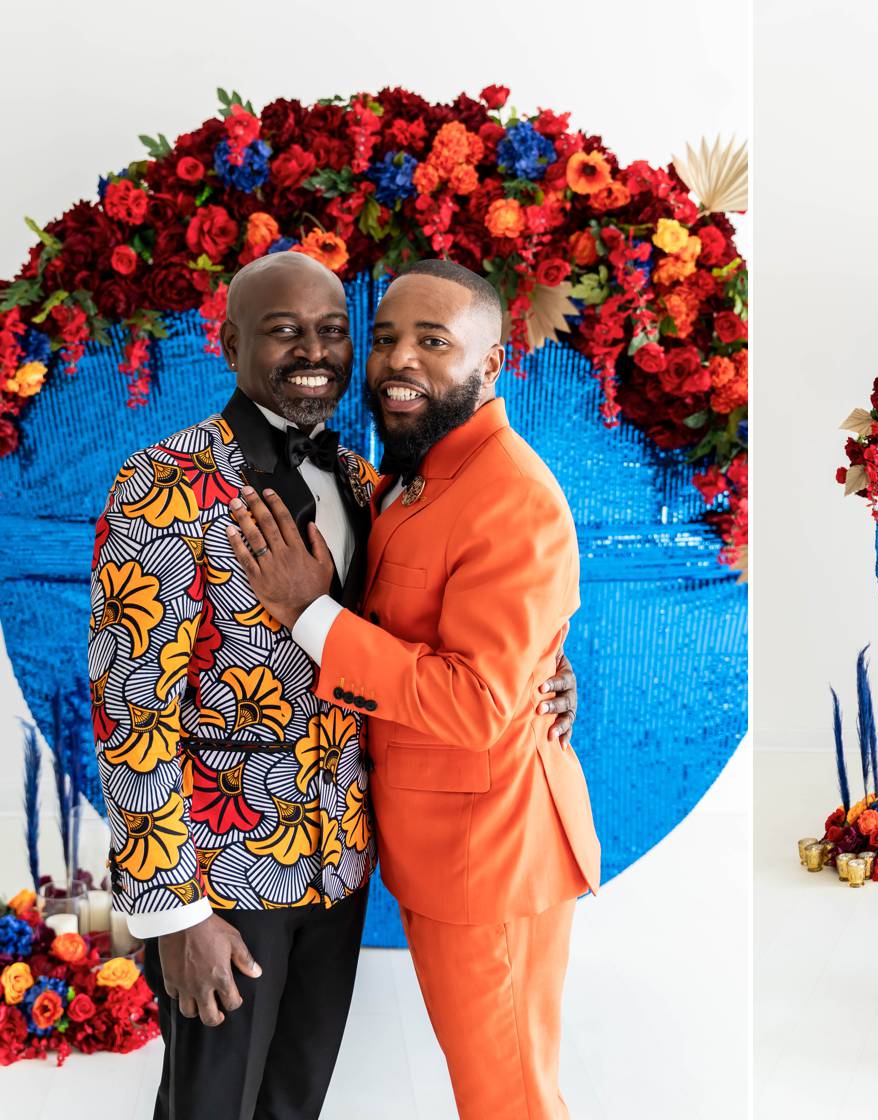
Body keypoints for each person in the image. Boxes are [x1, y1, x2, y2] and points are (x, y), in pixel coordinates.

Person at [89, 250, 578, 1120]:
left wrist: (543, 666)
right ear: (231, 342)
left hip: (341, 870)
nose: (313, 351)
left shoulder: (368, 483)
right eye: (283, 331)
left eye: (331, 332)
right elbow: (133, 714)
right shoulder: (164, 486)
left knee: (293, 1106)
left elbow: (440, 635)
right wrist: (173, 911)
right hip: (225, 879)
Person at [231, 258, 601, 1120]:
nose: (401, 361)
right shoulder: (406, 473)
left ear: (491, 362)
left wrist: (308, 614)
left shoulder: (511, 495)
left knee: (507, 1099)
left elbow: (477, 702)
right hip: (440, 851)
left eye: (433, 341)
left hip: (492, 863)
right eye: (389, 337)